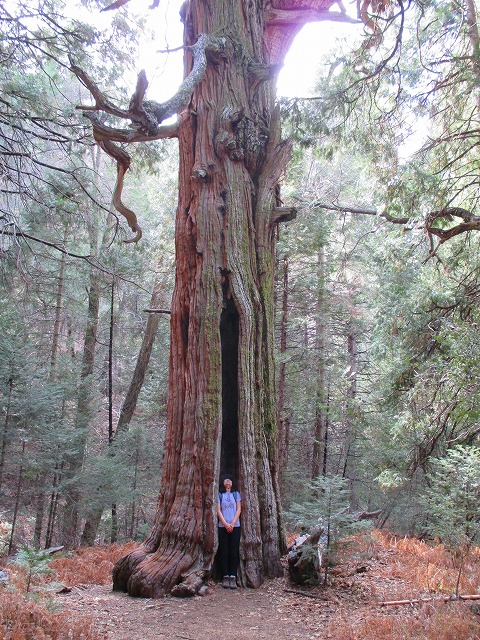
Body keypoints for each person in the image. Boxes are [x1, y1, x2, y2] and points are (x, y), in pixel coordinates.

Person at [217, 474, 241, 589]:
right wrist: (226, 524)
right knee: (224, 551)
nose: (228, 482)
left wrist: (232, 523)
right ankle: (225, 576)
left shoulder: (236, 494)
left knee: (234, 551)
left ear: (232, 483)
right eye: (226, 480)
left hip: (235, 526)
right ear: (223, 483)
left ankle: (233, 576)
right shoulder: (219, 495)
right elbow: (218, 510)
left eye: (230, 480)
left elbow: (239, 509)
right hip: (222, 526)